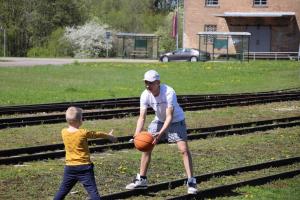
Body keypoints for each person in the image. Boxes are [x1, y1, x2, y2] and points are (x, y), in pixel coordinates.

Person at [125, 70, 197, 194]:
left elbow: (169, 116)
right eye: (146, 82)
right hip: (159, 120)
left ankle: (191, 182)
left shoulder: (169, 92)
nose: (148, 85)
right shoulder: (145, 94)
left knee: (183, 150)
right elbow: (142, 117)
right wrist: (137, 134)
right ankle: (142, 179)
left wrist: (161, 133)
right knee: (147, 146)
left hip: (176, 120)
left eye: (151, 83)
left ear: (158, 82)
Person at [54, 106, 117, 200]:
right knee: (93, 192)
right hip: (84, 168)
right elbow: (96, 134)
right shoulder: (83, 132)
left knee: (62, 191)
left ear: (67, 120)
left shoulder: (63, 132)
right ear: (80, 120)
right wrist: (109, 136)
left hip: (70, 167)